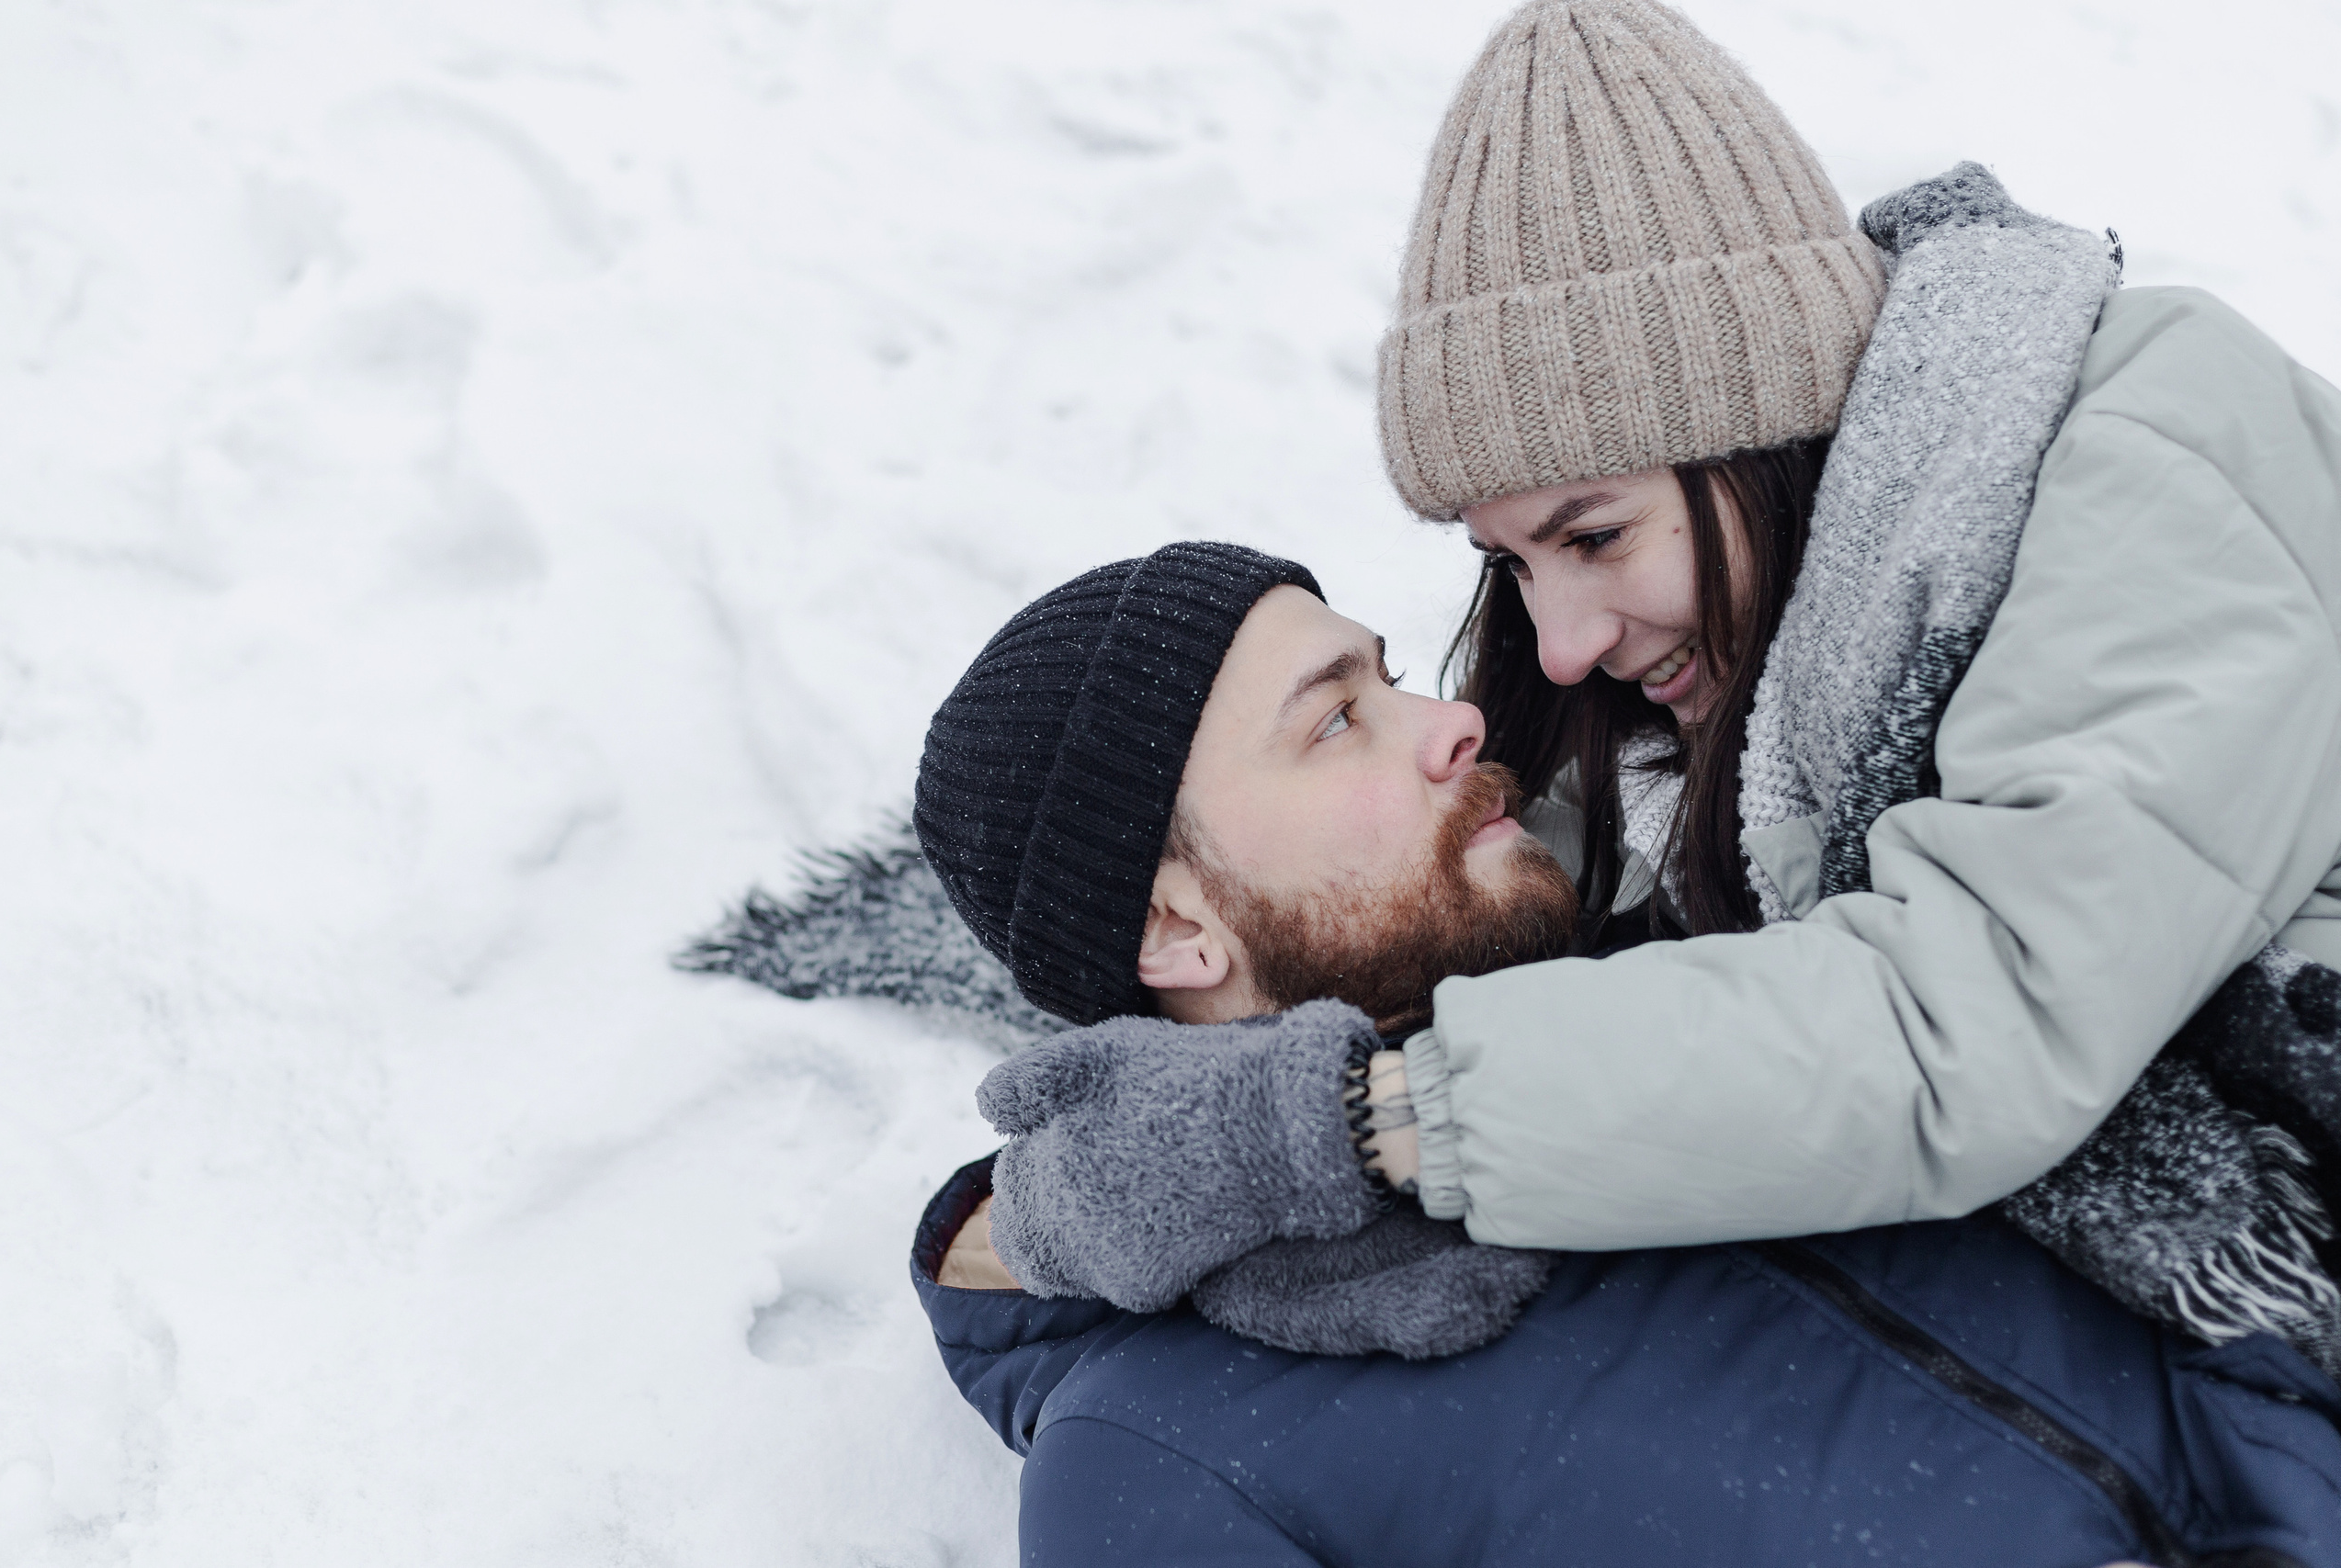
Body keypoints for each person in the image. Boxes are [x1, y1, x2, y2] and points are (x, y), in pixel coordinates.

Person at [967, 0, 2341, 1371]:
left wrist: (1357, 1126)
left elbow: (1969, 1025)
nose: (1559, 642)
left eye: (1595, 535)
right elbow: (1484, 883)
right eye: (1510, 562)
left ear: (1771, 436)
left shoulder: (2151, 468)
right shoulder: (1785, 632)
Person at [900, 541, 2341, 1565]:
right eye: (1339, 719)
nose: (1455, 717)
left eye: (1394, 678)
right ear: (1175, 928)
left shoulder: (1769, 975)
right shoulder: (1159, 1453)